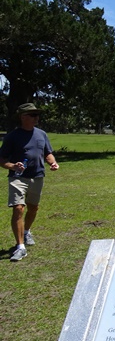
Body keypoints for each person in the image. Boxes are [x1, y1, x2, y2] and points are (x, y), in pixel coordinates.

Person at [0, 103, 59, 262]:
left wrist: (53, 162)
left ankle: (26, 232)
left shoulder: (41, 134)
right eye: (33, 115)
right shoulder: (12, 136)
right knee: (18, 208)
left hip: (37, 176)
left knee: (33, 207)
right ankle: (20, 247)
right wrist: (13, 166)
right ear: (23, 117)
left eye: (37, 115)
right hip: (18, 177)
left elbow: (48, 153)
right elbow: (2, 160)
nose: (36, 118)